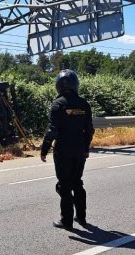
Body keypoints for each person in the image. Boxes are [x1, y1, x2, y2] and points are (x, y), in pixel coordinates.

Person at [40, 70, 94, 229]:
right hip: (79, 151)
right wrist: (85, 148)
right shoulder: (84, 104)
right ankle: (81, 218)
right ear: (76, 85)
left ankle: (66, 220)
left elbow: (52, 130)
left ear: (58, 86)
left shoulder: (58, 104)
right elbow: (89, 130)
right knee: (77, 183)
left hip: (63, 151)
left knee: (64, 185)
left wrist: (44, 149)